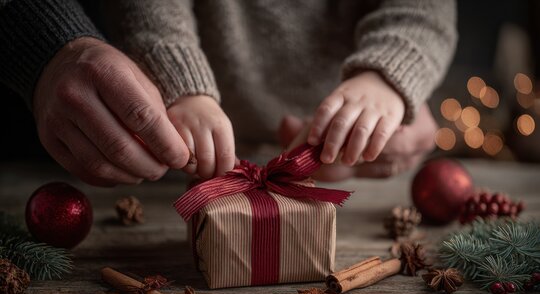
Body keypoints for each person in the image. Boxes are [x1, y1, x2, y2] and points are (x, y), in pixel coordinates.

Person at [0, 0, 456, 186]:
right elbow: (151, 11)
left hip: (345, 161)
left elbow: (422, 12)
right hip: (181, 164)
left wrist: (389, 78)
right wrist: (184, 89)